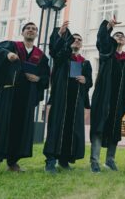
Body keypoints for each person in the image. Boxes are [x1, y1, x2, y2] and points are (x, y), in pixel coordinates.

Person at [0, 22, 50, 178]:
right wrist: (7, 55)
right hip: (9, 92)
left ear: (37, 34)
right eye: (28, 28)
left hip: (27, 95)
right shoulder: (12, 45)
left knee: (20, 128)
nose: (31, 30)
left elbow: (45, 76)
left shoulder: (41, 55)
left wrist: (38, 78)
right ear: (22, 32)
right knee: (3, 126)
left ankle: (12, 162)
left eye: (34, 29)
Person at [44, 21, 93, 173]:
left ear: (82, 44)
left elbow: (89, 82)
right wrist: (60, 34)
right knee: (56, 127)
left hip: (76, 100)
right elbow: (54, 51)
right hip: (60, 99)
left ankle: (64, 160)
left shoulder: (85, 63)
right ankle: (51, 161)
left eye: (79, 40)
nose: (76, 41)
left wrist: (85, 80)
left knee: (72, 129)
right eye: (74, 39)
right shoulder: (63, 57)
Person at [90, 16, 125, 173]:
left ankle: (110, 160)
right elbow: (102, 39)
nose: (119, 37)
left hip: (119, 99)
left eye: (122, 36)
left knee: (114, 128)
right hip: (104, 95)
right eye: (117, 35)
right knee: (99, 125)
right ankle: (94, 160)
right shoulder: (106, 52)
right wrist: (109, 26)